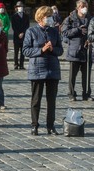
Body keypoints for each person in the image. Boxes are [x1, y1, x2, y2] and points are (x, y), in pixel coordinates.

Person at [23, 6, 63, 136]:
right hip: (37, 69)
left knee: (51, 101)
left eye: (51, 16)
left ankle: (50, 126)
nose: (50, 18)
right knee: (36, 100)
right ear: (40, 17)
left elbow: (60, 50)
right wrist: (41, 50)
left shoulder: (54, 31)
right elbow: (26, 50)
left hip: (52, 69)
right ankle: (34, 125)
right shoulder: (31, 31)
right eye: (48, 16)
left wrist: (52, 50)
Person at [61, 0, 92, 101]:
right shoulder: (70, 19)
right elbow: (64, 32)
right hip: (74, 50)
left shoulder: (90, 19)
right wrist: (78, 29)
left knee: (86, 75)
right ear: (78, 8)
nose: (84, 8)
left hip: (86, 51)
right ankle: (71, 93)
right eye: (82, 6)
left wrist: (90, 40)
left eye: (86, 6)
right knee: (72, 75)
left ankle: (86, 93)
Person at [11, 1, 29, 70]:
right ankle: (16, 64)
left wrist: (23, 33)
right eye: (19, 7)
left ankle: (21, 65)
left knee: (23, 52)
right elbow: (13, 26)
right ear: (16, 8)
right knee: (16, 52)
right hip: (16, 35)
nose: (20, 8)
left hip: (24, 36)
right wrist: (18, 33)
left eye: (21, 7)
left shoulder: (26, 16)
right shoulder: (14, 16)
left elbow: (27, 25)